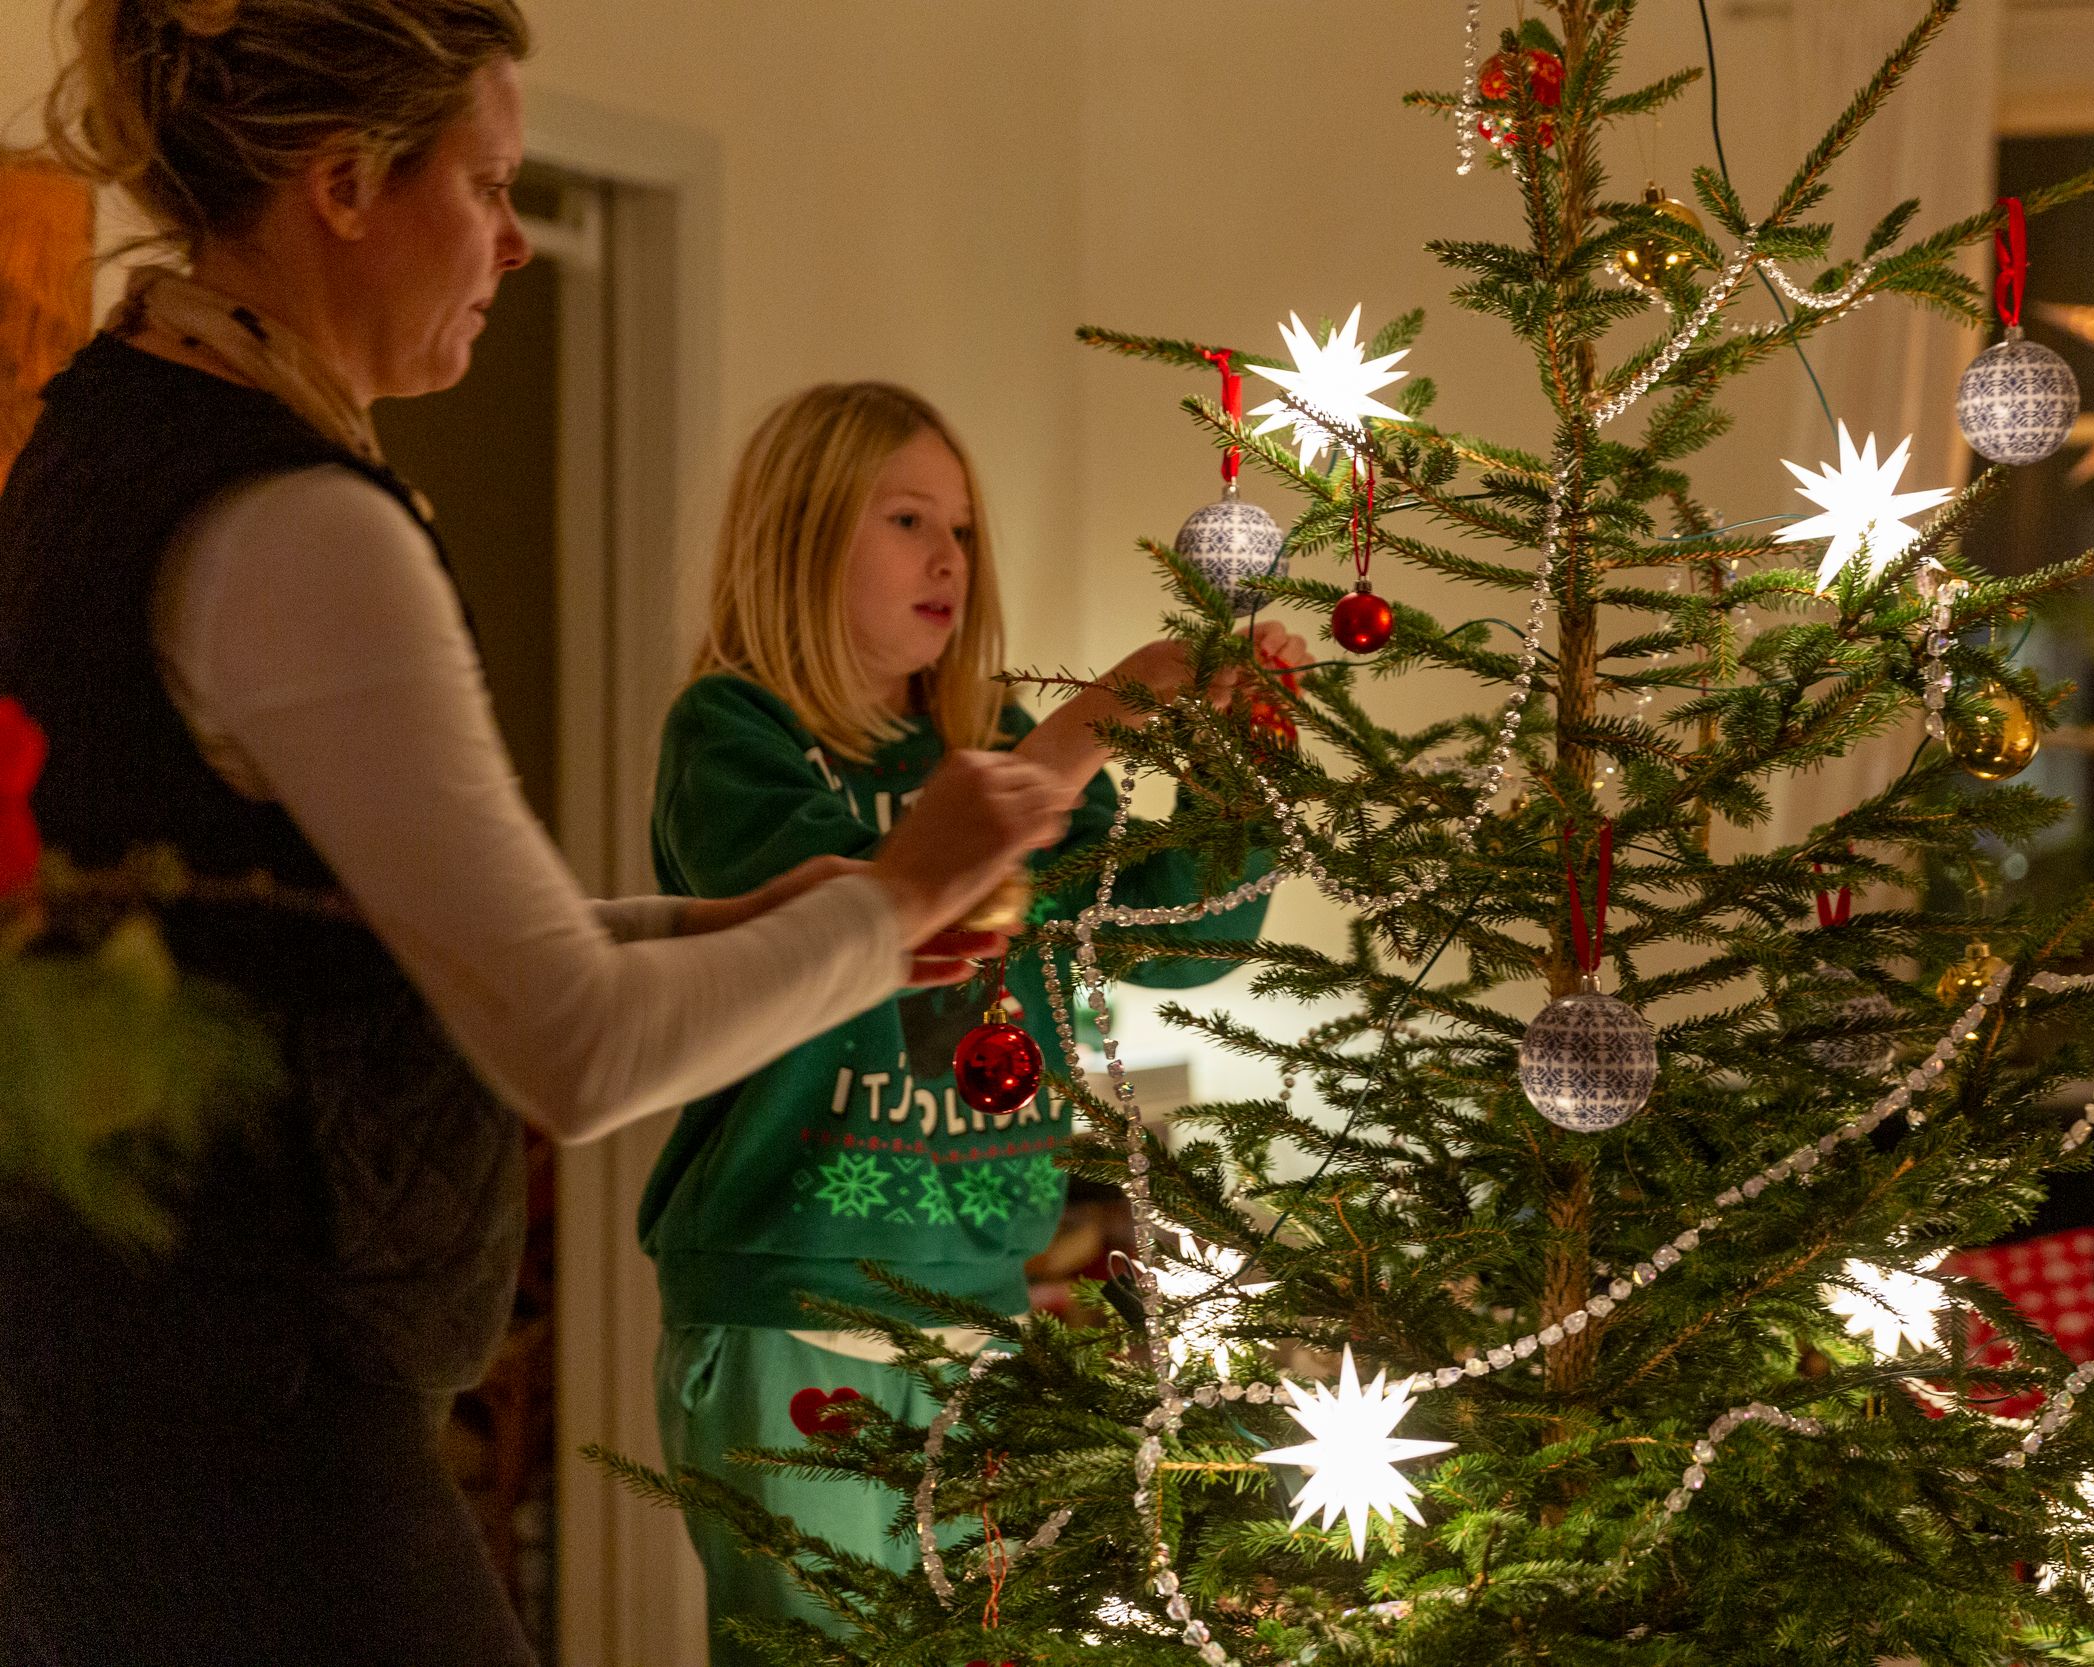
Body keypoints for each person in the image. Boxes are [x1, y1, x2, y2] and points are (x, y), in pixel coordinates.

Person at [0, 4, 1069, 1663]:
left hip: (122, 1394)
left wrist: (733, 922)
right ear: (346, 184)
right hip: (246, 1432)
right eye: (489, 183)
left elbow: (380, 939)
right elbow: (569, 1048)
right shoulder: (295, 523)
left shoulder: (106, 426)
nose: (513, 238)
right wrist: (906, 888)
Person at [640, 380, 1298, 1661]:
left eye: (962, 527)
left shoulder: (996, 737)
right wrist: (1100, 715)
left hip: (987, 1304)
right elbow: (871, 918)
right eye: (904, 519)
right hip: (793, 1297)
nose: (947, 555)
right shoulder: (732, 733)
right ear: (799, 536)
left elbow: (1182, 934)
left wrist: (1238, 759)